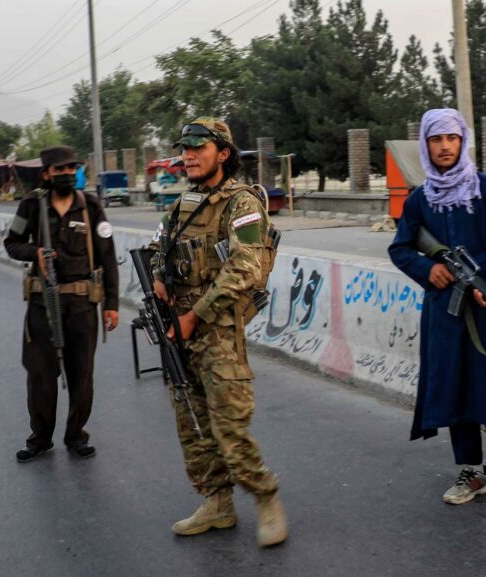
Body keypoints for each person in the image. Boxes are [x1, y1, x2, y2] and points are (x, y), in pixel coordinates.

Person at [388, 108, 486, 522]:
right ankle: (472, 472)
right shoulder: (419, 200)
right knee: (454, 388)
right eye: (437, 139)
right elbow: (401, 248)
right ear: (426, 145)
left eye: (452, 138)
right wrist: (428, 269)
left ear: (463, 141)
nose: (445, 146)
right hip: (445, 313)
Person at [149, 117, 287, 547]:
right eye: (185, 148)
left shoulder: (241, 203)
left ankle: (265, 497)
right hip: (180, 329)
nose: (188, 155)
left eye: (198, 148)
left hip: (218, 332)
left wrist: (195, 316)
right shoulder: (184, 203)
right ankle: (217, 503)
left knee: (229, 427)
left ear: (222, 154)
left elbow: (246, 268)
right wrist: (158, 275)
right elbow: (161, 247)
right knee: (193, 425)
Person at [3, 145, 120, 464]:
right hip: (43, 305)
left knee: (82, 375)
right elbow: (11, 243)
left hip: (82, 306)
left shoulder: (91, 206)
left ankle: (76, 436)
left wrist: (112, 303)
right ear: (46, 174)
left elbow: (108, 255)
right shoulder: (31, 204)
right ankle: (40, 438)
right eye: (60, 170)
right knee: (40, 375)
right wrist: (35, 253)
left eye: (72, 169)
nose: (67, 174)